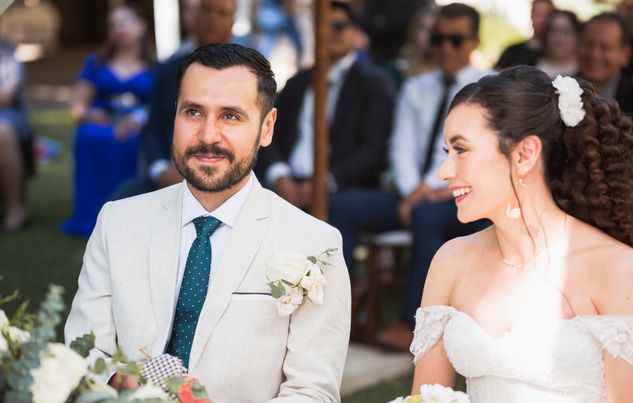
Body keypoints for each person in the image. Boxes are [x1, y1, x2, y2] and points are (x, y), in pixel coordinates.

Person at [64, 43, 351, 403]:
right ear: (173, 116)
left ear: (267, 126)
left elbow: (316, 398)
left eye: (231, 116)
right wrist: (122, 393)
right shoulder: (117, 222)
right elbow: (83, 352)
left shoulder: (315, 244)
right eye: (192, 112)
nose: (208, 135)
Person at [411, 65, 633, 403]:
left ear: (524, 154)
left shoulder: (617, 269)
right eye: (447, 152)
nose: (445, 172)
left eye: (461, 150)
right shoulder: (451, 261)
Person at [372, 3, 489, 351]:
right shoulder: (417, 86)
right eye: (439, 39)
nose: (445, 48)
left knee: (425, 217)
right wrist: (412, 190)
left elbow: (474, 150)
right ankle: (344, 315)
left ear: (474, 41)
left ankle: (412, 323)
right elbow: (401, 145)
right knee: (340, 208)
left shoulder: (490, 86)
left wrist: (426, 190)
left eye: (456, 39)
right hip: (414, 194)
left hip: (466, 195)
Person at [261, 0, 394, 208]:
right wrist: (280, 175)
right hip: (286, 186)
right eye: (324, 25)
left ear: (354, 32)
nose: (331, 32)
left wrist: (326, 181)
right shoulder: (299, 81)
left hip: (341, 190)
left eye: (339, 26)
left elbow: (373, 150)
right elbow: (269, 131)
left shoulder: (373, 83)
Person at [111, 0, 235, 201]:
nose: (213, 19)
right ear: (196, 16)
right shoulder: (171, 69)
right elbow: (153, 128)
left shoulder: (247, 75)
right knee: (119, 201)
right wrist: (160, 170)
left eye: (222, 13)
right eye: (207, 10)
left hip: (227, 177)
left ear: (232, 21)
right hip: (170, 175)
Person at [62, 3, 156, 236]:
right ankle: (90, 216)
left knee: (135, 142)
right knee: (87, 136)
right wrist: (89, 114)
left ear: (142, 24)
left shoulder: (157, 66)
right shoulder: (95, 62)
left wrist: (140, 117)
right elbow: (77, 107)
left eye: (125, 21)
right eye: (113, 25)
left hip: (137, 128)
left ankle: (128, 216)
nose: (118, 28)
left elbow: (162, 108)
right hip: (101, 125)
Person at [579, 12, 633, 133]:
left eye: (605, 47)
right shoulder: (557, 92)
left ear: (625, 55)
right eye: (588, 44)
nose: (594, 54)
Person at [0, 40, 32, 233]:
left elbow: (6, 96)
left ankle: (15, 210)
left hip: (7, 114)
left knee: (2, 131)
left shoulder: (7, 52)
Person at [496, 0, 555, 70]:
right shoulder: (512, 52)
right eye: (539, 14)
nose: (543, 20)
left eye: (548, 15)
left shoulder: (562, 55)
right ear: (531, 17)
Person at [535, 9, 580, 78]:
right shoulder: (530, 64)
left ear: (577, 35)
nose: (560, 38)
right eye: (554, 31)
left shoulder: (588, 71)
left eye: (566, 31)